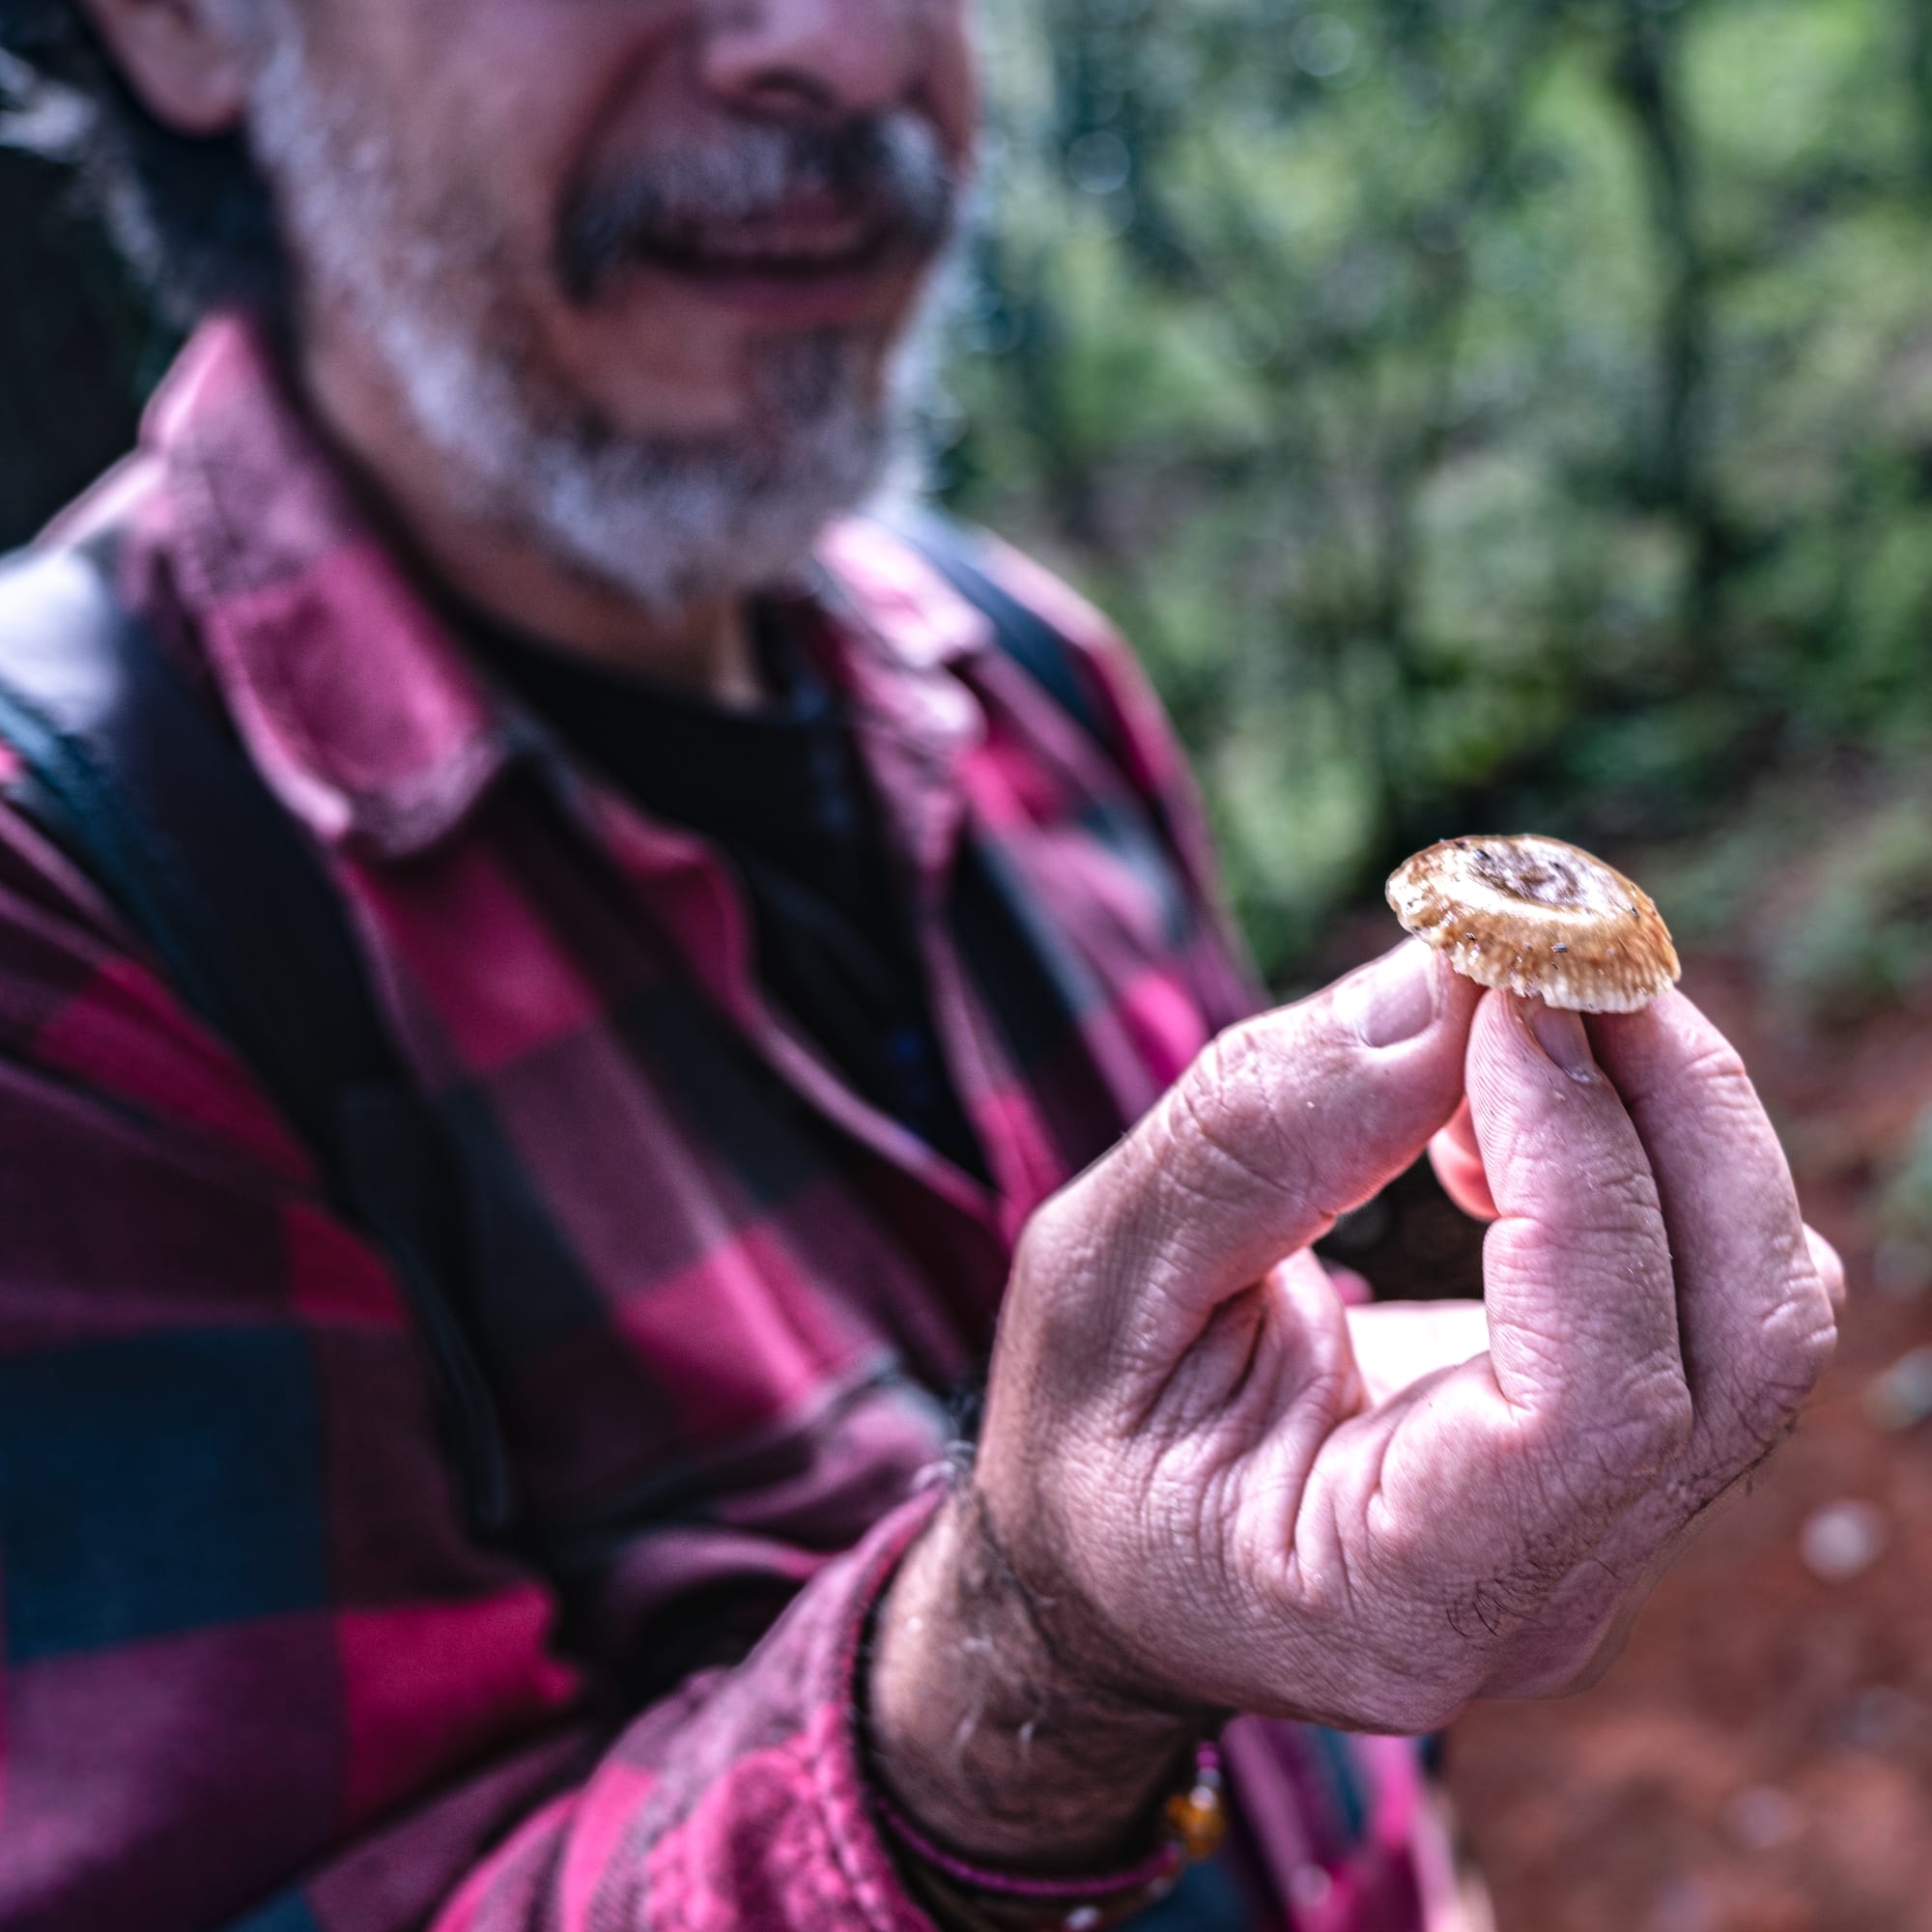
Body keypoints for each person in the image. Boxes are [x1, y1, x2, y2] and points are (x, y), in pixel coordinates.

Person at [0, 2, 1841, 1929]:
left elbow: (1334, 1742)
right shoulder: (69, 895)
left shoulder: (1022, 672)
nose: (849, 49)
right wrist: (1033, 1658)